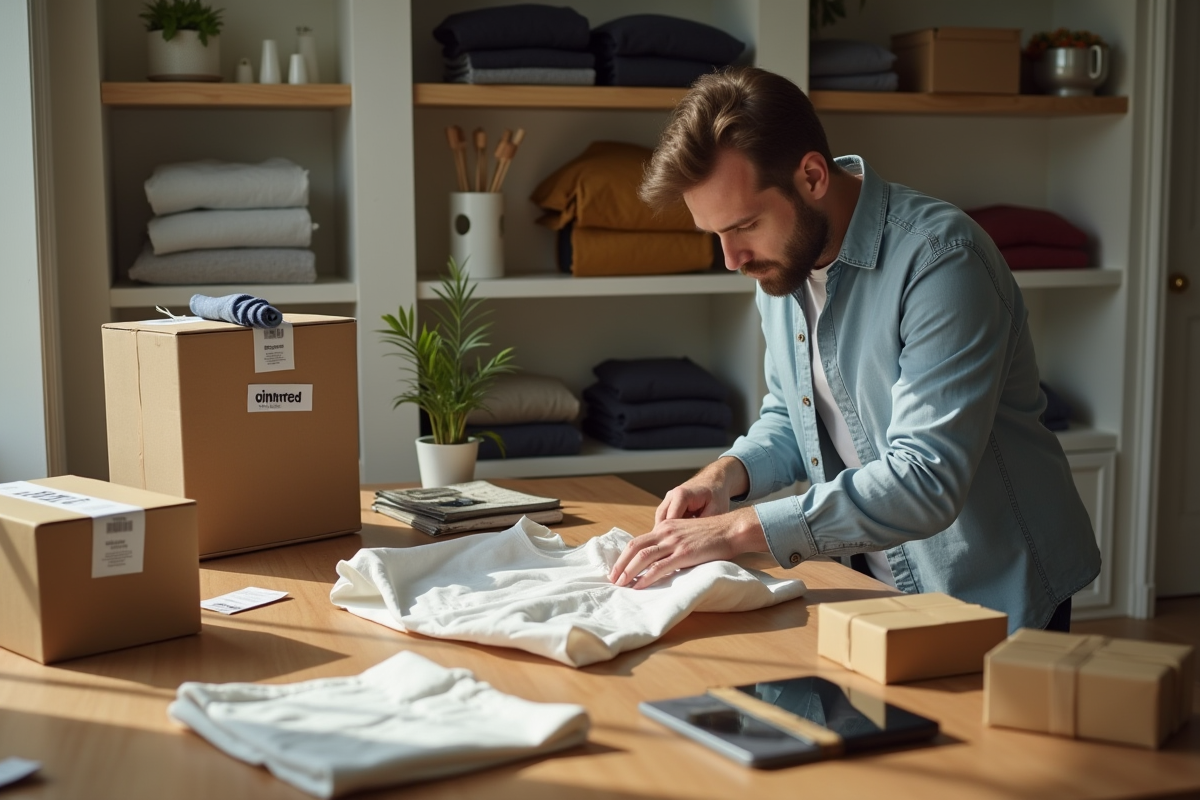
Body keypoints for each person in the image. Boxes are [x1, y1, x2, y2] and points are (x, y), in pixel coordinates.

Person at [607, 67, 1100, 633]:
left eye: (744, 225)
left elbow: (925, 480)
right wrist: (724, 476)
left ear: (813, 176)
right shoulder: (780, 266)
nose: (731, 259)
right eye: (715, 234)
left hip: (994, 594)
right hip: (869, 588)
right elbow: (796, 418)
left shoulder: (941, 261)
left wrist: (735, 531)